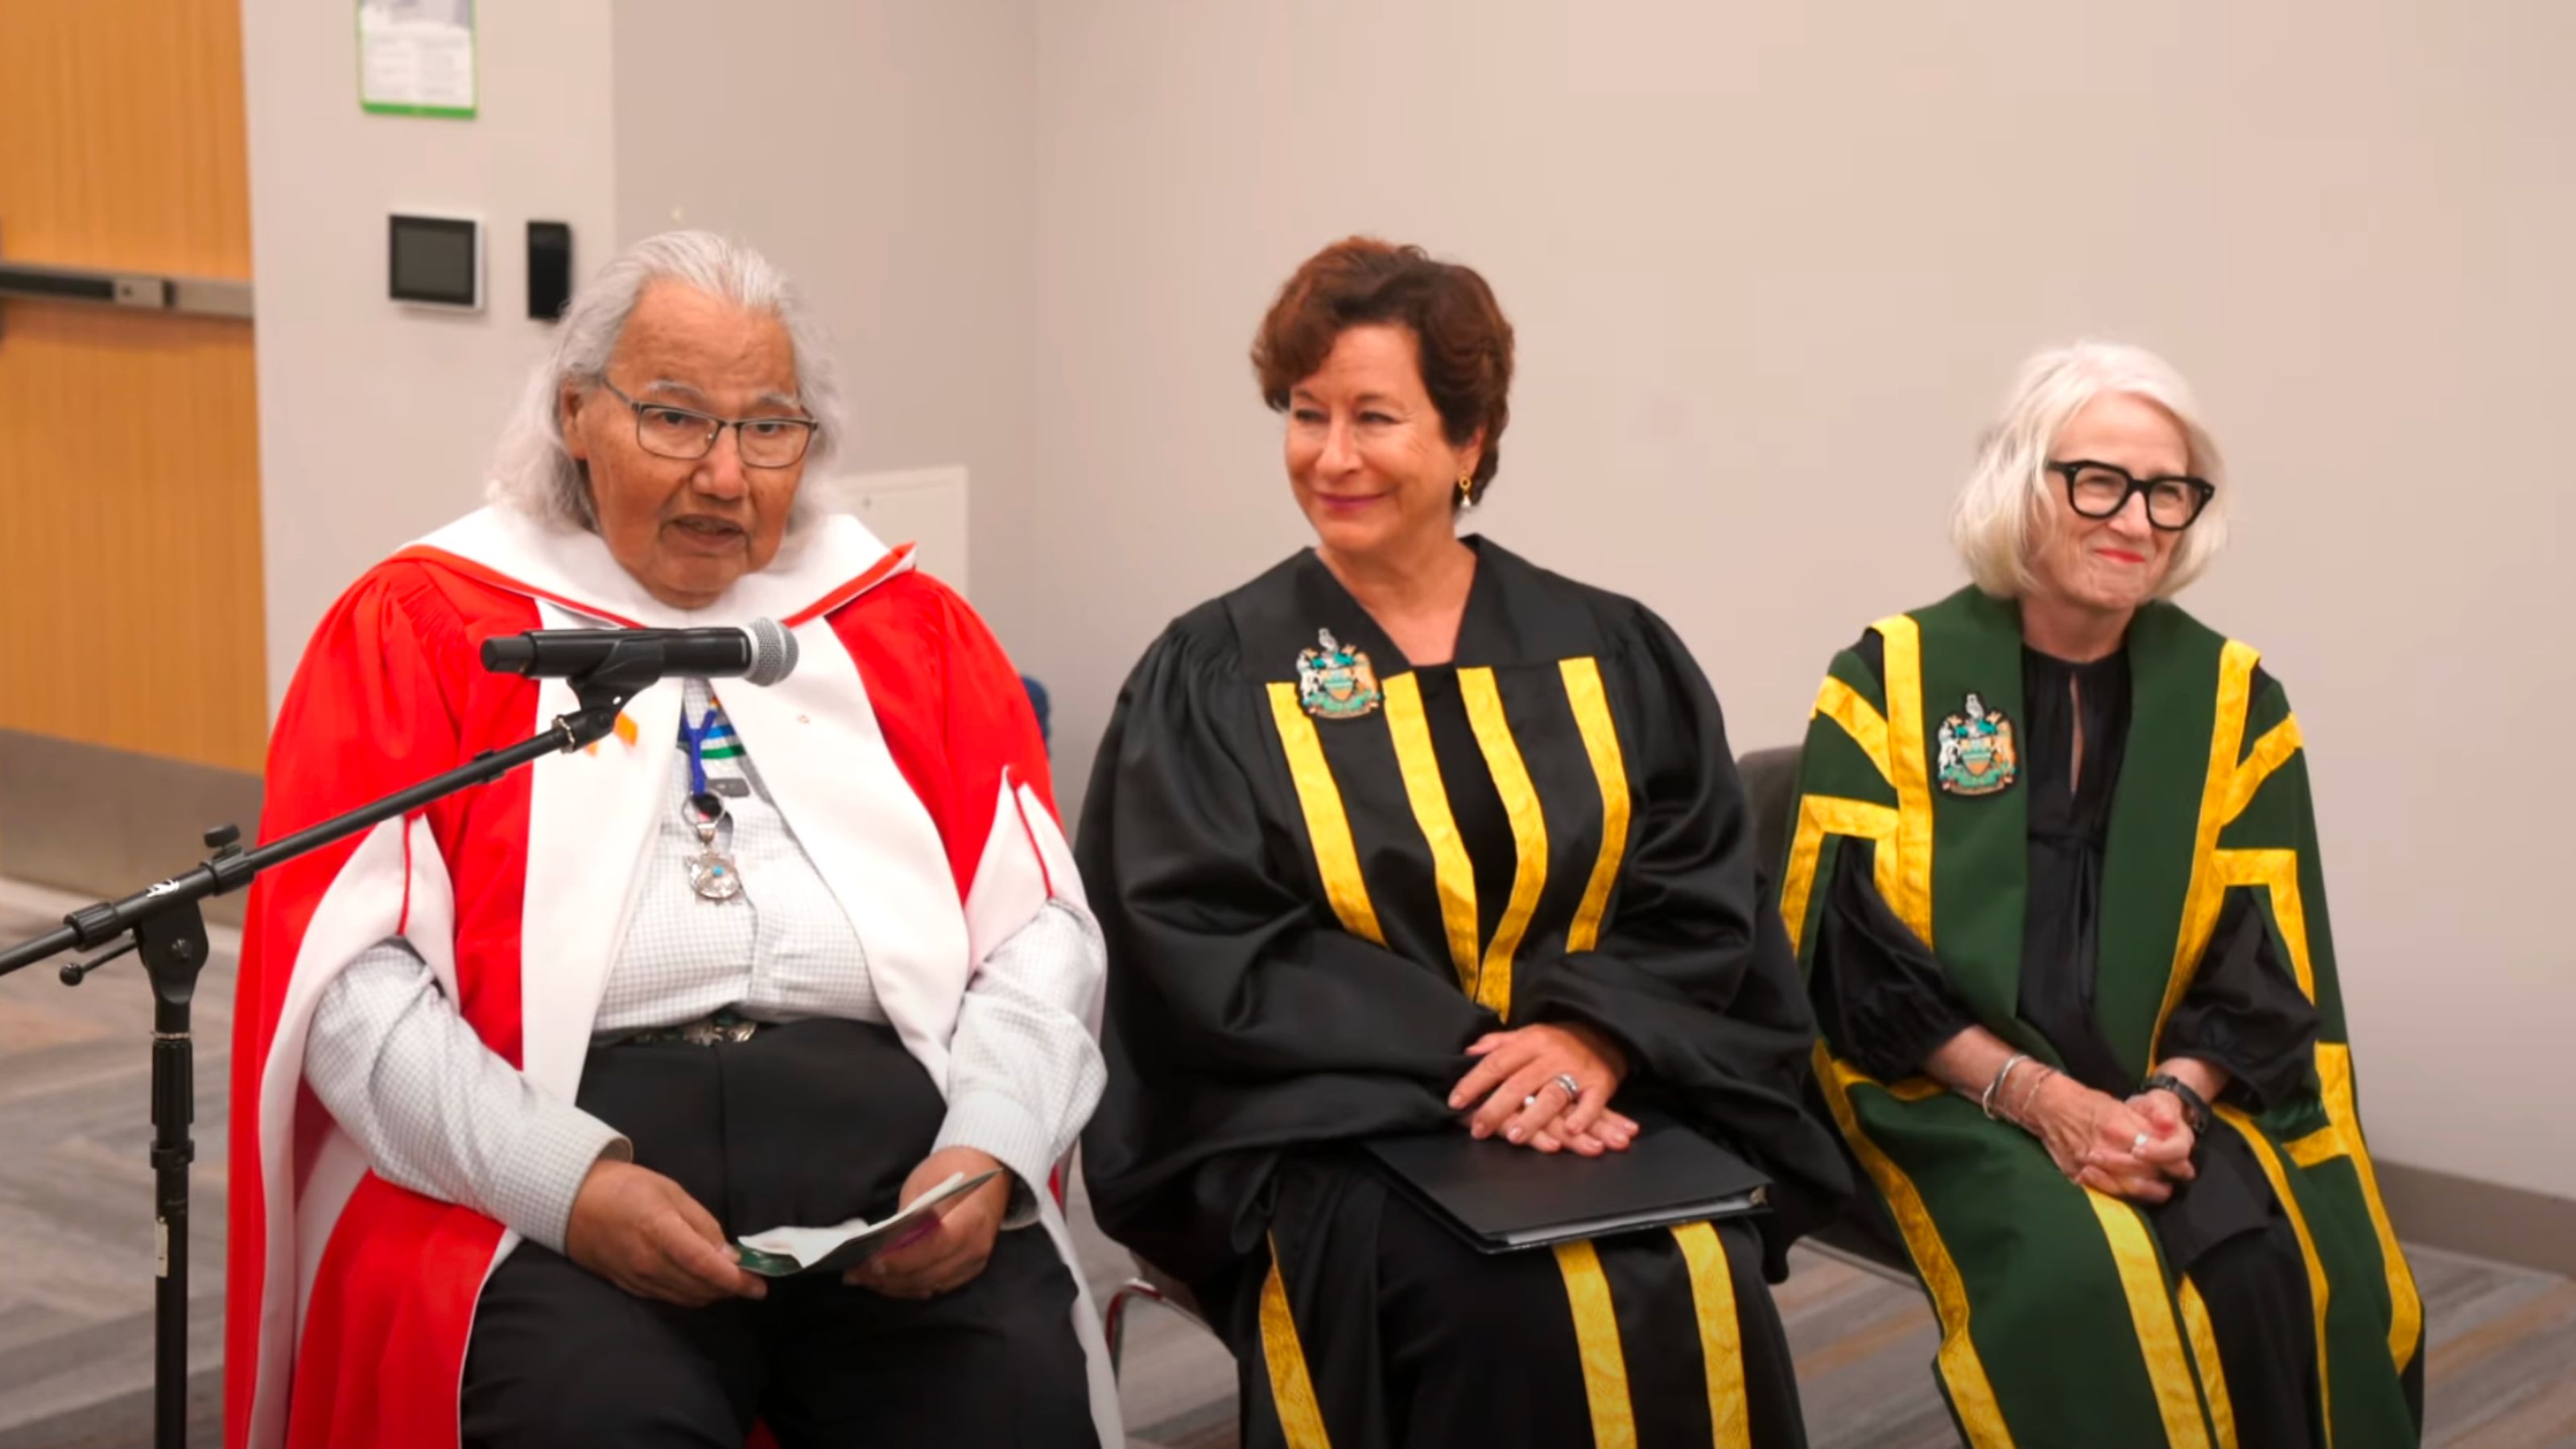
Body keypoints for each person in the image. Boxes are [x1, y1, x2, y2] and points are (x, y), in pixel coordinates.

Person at [223, 232, 1120, 1449]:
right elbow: (351, 992)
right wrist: (563, 1181)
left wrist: (989, 1145)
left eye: (768, 429)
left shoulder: (900, 629)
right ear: (576, 414)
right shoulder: (432, 627)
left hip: (893, 1163)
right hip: (565, 1153)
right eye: (676, 420)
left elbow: (1039, 932)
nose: (724, 476)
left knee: (1009, 1410)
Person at [1079, 237, 1850, 1448]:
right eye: (1306, 413)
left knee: (1694, 1267)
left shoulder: (1607, 649)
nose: (1331, 456)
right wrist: (1486, 1059)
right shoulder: (1217, 672)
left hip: (1610, 1090)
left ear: (1469, 440)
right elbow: (1200, 937)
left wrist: (1591, 1035)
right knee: (1497, 1305)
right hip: (1332, 1121)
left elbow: (1700, 896)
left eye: (1375, 417)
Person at [1783, 342, 2421, 1447]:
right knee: (2081, 1274)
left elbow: (2257, 955)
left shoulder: (2231, 701)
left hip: (2160, 1087)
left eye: (2167, 492)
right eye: (2098, 480)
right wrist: (2041, 1099)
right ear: (2021, 482)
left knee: (2269, 1260)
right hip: (1949, 1089)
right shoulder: (1889, 679)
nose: (2135, 518)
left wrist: (2170, 1097)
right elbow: (1855, 961)